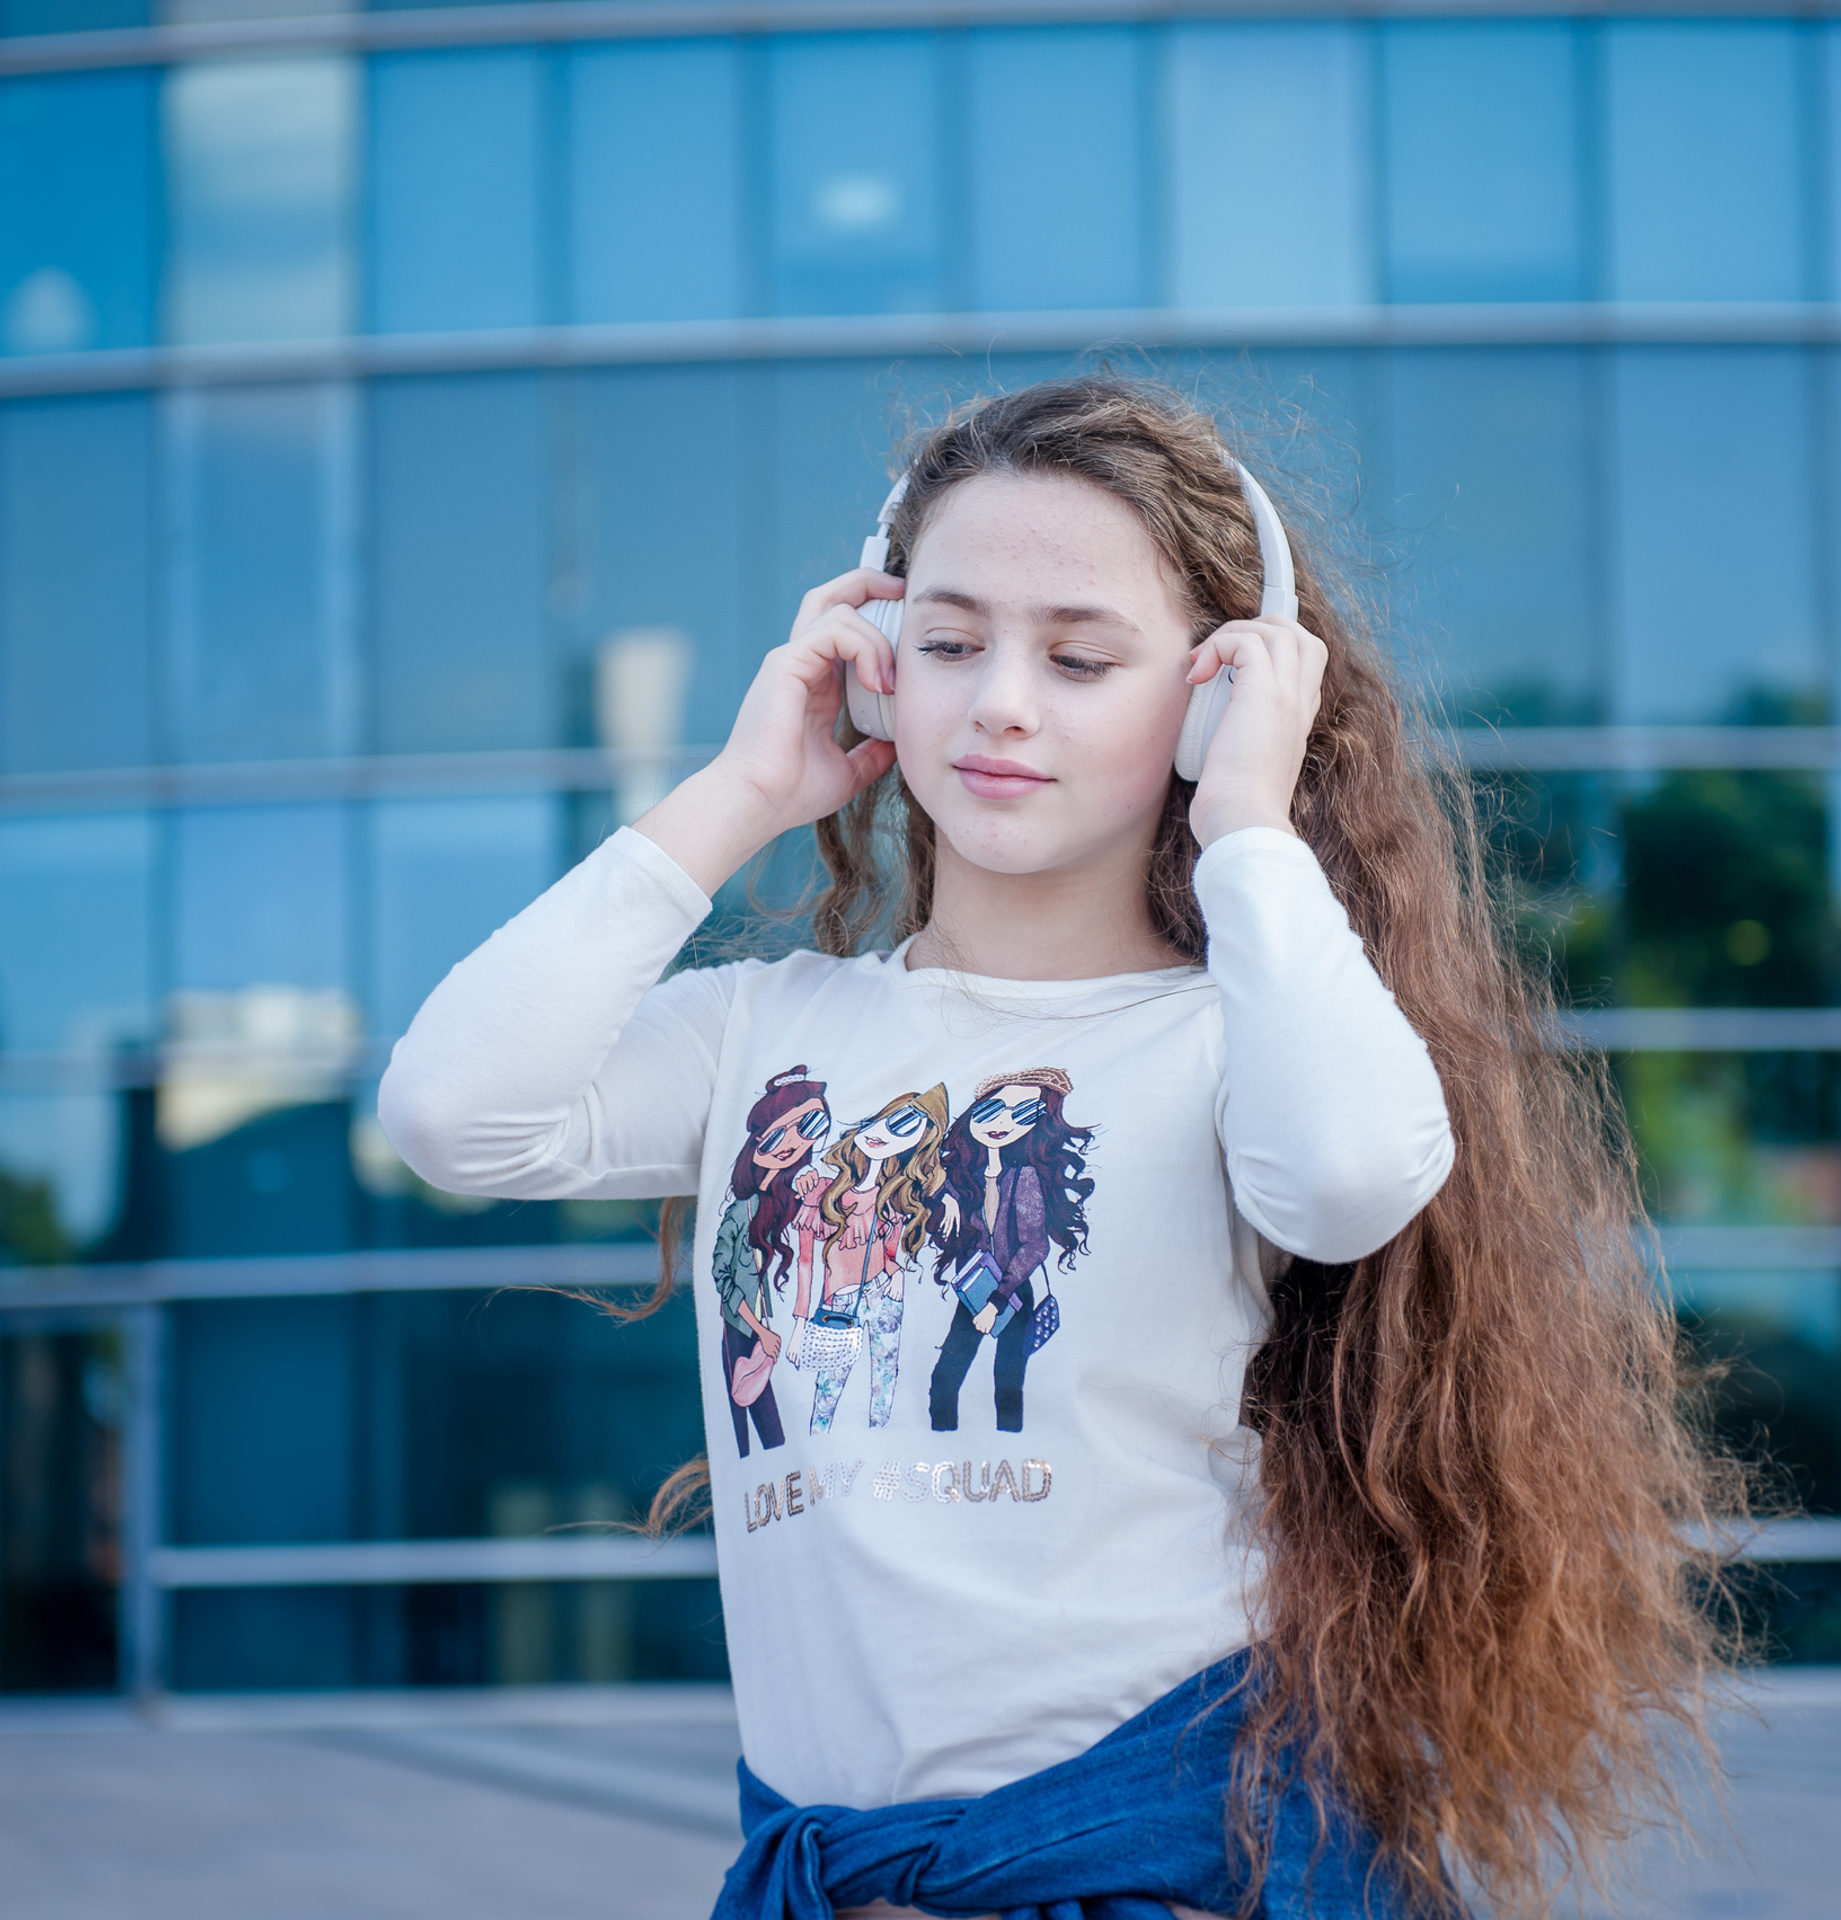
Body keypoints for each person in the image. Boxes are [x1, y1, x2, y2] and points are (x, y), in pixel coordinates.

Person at [379, 376, 1735, 1920]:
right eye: (949, 643)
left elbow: (1357, 1176)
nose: (1002, 700)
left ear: (1216, 694)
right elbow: (450, 1111)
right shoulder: (762, 1032)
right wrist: (741, 788)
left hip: (1160, 1872)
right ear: (877, 669)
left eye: (1080, 656)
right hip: (835, 1875)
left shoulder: (1239, 1034)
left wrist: (1250, 822)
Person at [927, 1068, 1092, 1434]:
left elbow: (1035, 1246)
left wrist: (997, 1301)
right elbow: (930, 1180)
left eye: (1022, 1115)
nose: (1003, 1122)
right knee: (944, 1379)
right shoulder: (969, 1172)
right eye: (992, 1110)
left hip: (1011, 1291)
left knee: (1007, 1384)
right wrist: (948, 1199)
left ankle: (1010, 1447)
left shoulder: (1026, 1177)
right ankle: (943, 1439)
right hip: (976, 1286)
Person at [790, 1085, 949, 1435]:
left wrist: (897, 1275)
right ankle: (820, 1441)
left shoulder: (893, 1196)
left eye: (903, 1132)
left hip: (883, 1294)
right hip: (838, 1301)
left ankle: (880, 1439)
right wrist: (799, 1326)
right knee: (828, 1387)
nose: (882, 1135)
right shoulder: (822, 1192)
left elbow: (891, 1252)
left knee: (885, 1379)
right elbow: (806, 1262)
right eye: (879, 1123)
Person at [710, 1065, 832, 1458]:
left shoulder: (794, 1192)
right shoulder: (740, 1213)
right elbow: (723, 1280)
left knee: (769, 1435)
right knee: (755, 1433)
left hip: (764, 1330)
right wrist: (759, 1331)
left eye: (810, 1124)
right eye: (778, 1134)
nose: (792, 1143)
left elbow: (816, 1234)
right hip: (742, 1331)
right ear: (758, 1143)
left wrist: (809, 1189)